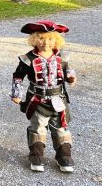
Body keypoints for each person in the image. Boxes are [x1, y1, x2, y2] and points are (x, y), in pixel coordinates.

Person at [11, 20, 77, 173]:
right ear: (34, 39)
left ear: (56, 40)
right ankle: (36, 156)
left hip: (58, 99)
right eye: (41, 38)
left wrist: (71, 77)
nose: (46, 42)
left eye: (50, 38)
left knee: (61, 128)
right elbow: (18, 76)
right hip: (37, 100)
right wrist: (16, 93)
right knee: (38, 128)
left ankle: (64, 156)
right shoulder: (28, 59)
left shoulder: (63, 57)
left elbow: (68, 72)